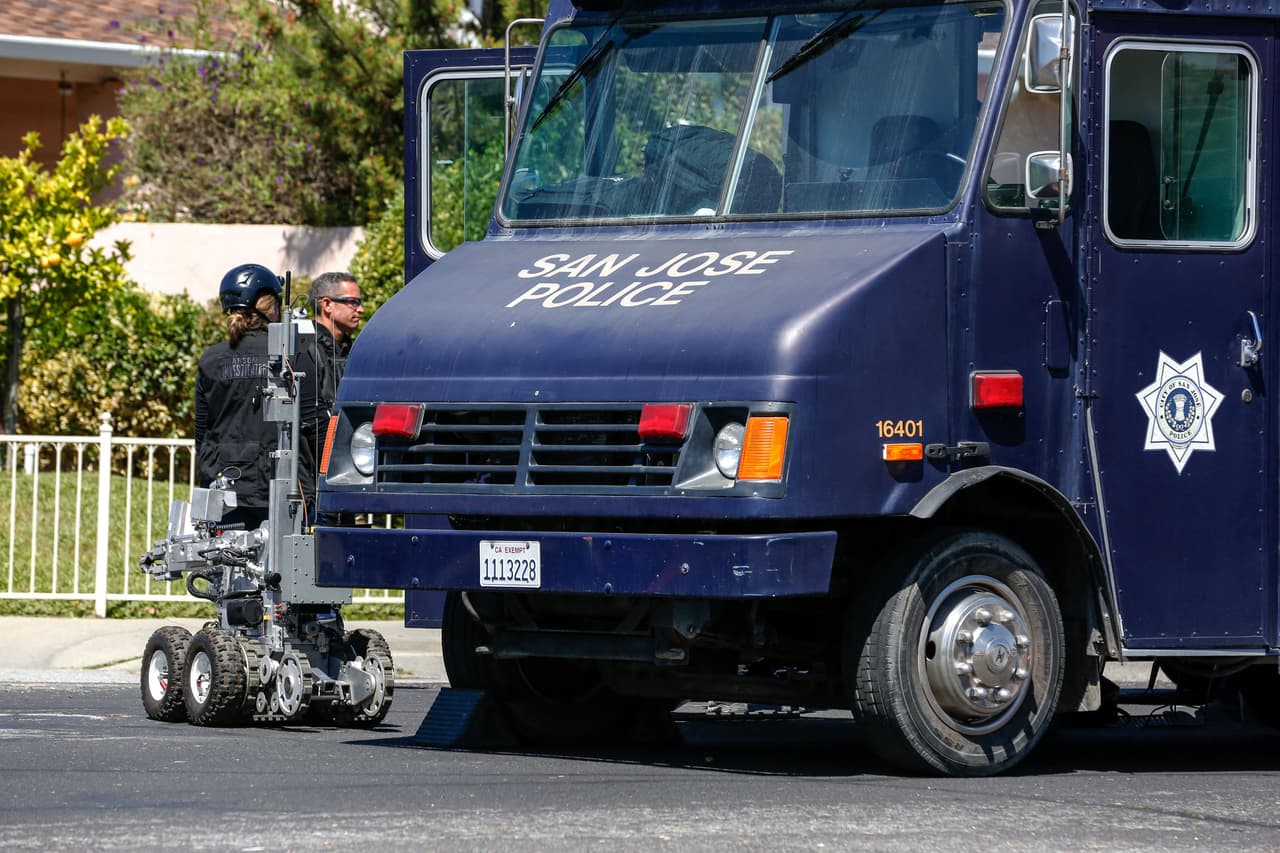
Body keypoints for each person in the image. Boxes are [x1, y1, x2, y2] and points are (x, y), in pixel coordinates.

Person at [194, 263, 285, 530]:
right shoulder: (289, 356)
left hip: (221, 487)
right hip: (275, 487)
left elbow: (202, 428)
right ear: (270, 307)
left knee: (225, 566)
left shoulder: (211, 359)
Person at [299, 272, 363, 513]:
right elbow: (310, 419)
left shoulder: (350, 349)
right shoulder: (307, 349)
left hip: (347, 469)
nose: (361, 309)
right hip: (315, 473)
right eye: (353, 302)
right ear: (327, 304)